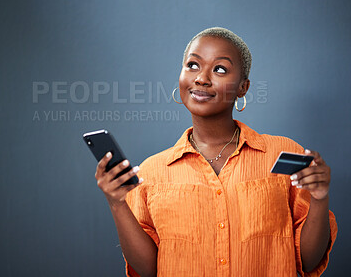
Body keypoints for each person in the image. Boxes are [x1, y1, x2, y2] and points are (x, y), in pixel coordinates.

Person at [95, 27, 337, 277]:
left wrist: (320, 198)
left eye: (220, 69)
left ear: (243, 87)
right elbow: (148, 270)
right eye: (192, 65)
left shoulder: (282, 153)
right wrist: (117, 204)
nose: (201, 78)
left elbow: (309, 261)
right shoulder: (151, 172)